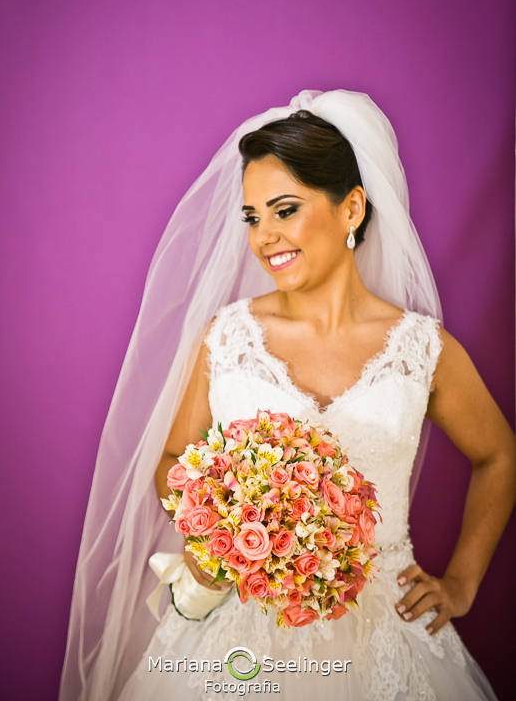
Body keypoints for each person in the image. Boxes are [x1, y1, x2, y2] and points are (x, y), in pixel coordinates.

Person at [58, 90, 516, 701]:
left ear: (351, 208)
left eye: (285, 209)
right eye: (252, 217)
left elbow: (499, 456)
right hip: (240, 633)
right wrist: (217, 532)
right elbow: (171, 463)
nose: (264, 236)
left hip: (385, 633)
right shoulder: (229, 336)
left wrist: (460, 583)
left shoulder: (423, 349)